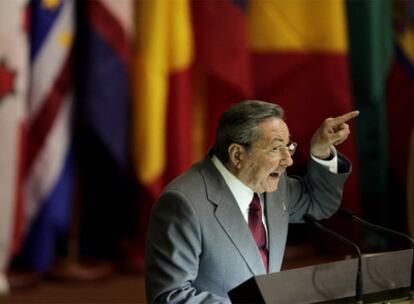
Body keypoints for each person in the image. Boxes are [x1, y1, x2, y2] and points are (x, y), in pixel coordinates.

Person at [145, 100, 359, 303]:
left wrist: (321, 150)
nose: (288, 160)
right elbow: (170, 296)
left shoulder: (273, 184)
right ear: (237, 155)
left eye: (288, 146)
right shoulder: (182, 204)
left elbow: (318, 203)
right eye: (276, 149)